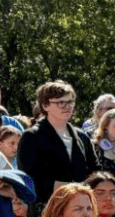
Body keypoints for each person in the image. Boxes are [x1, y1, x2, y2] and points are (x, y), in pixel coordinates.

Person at [16, 81, 96, 209]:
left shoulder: (82, 137)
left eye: (70, 102)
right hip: (47, 209)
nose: (67, 106)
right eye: (60, 103)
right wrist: (71, 189)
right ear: (45, 105)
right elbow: (29, 180)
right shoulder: (32, 137)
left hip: (82, 208)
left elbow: (95, 171)